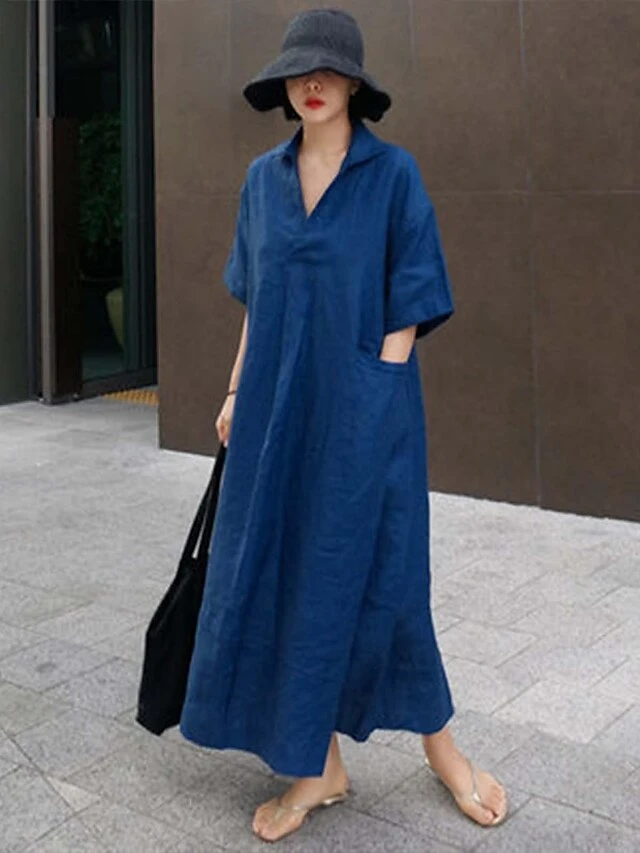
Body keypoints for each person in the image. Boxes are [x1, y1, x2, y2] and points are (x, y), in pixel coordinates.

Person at [179, 7, 508, 843]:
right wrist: (233, 390)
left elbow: (411, 295)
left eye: (328, 70)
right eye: (300, 71)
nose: (313, 83)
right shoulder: (262, 181)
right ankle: (316, 767)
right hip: (274, 412)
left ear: (356, 84)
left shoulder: (392, 175)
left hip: (366, 410)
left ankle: (442, 749)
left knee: (385, 574)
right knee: (291, 569)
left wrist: (378, 390)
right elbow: (256, 299)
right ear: (285, 87)